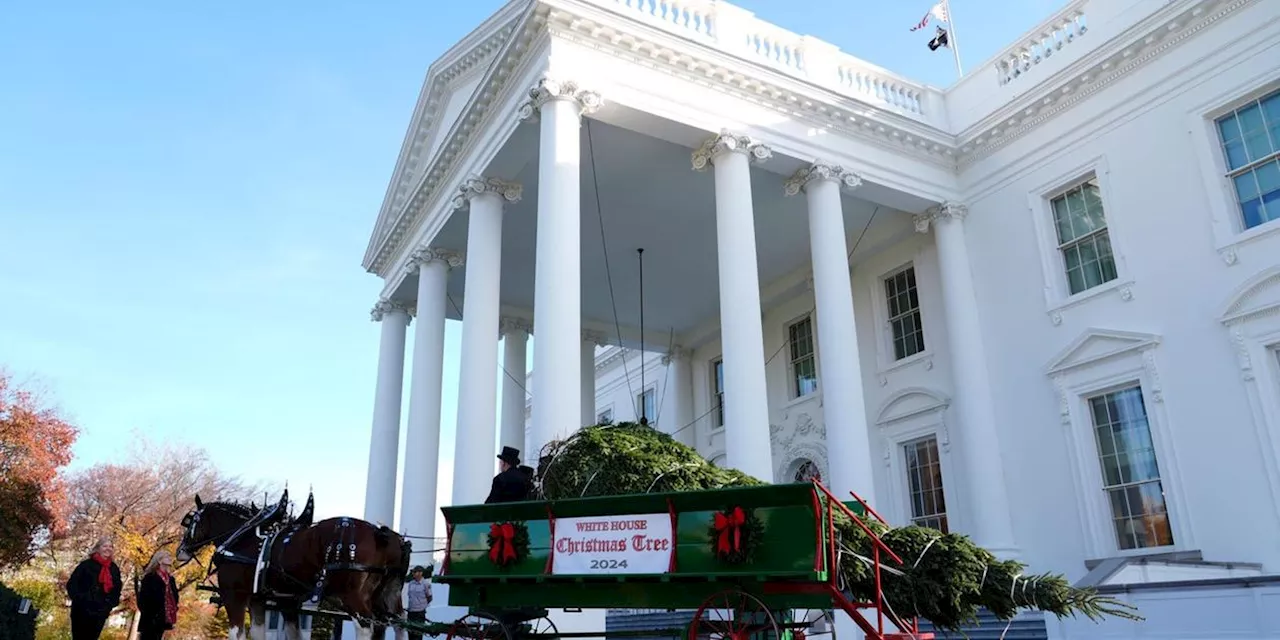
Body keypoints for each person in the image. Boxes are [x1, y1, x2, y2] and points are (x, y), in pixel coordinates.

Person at [65, 537, 122, 640]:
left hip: (100, 611)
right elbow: (72, 584)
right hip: (82, 610)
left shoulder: (114, 569)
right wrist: (81, 599)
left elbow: (117, 589)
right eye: (105, 546)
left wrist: (109, 605)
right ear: (98, 548)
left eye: (110, 546)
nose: (108, 549)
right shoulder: (86, 565)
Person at [137, 550, 179, 640]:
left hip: (164, 619)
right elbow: (142, 600)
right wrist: (151, 614)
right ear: (159, 561)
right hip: (150, 619)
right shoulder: (150, 577)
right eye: (166, 556)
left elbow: (175, 597)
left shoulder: (171, 579)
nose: (170, 558)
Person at [403, 565, 432, 640]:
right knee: (410, 633)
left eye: (415, 572)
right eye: (413, 572)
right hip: (411, 612)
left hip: (419, 613)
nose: (413, 574)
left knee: (418, 635)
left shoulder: (425, 584)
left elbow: (429, 597)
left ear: (420, 573)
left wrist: (422, 606)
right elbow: (410, 597)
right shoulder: (411, 583)